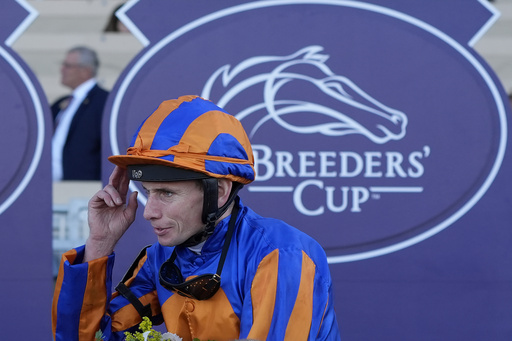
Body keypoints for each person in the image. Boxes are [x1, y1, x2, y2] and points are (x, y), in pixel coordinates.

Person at [52, 95, 341, 340]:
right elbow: (87, 336)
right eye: (147, 192)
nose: (149, 212)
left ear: (220, 191)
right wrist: (99, 244)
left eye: (166, 193)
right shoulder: (158, 258)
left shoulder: (282, 253)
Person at [51, 46, 109, 181]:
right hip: (51, 186)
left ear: (85, 71)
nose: (62, 69)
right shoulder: (60, 103)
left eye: (68, 66)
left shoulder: (104, 101)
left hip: (84, 187)